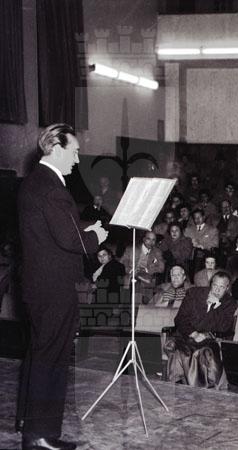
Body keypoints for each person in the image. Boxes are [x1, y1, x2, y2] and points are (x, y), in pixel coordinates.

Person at [16, 123, 108, 450]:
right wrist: (96, 237)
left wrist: (85, 228)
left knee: (41, 354)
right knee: (52, 358)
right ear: (56, 148)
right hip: (54, 288)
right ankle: (40, 435)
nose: (77, 159)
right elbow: (70, 239)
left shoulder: (34, 182)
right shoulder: (53, 188)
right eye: (75, 151)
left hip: (38, 285)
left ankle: (32, 425)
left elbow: (55, 230)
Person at [165, 271, 237, 388]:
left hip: (208, 339)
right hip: (187, 335)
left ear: (227, 288)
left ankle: (200, 387)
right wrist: (194, 334)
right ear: (211, 284)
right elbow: (180, 319)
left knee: (204, 353)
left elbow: (224, 327)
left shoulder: (230, 303)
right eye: (215, 285)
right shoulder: (194, 294)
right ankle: (180, 384)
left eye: (222, 287)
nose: (217, 290)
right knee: (183, 350)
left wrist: (216, 306)